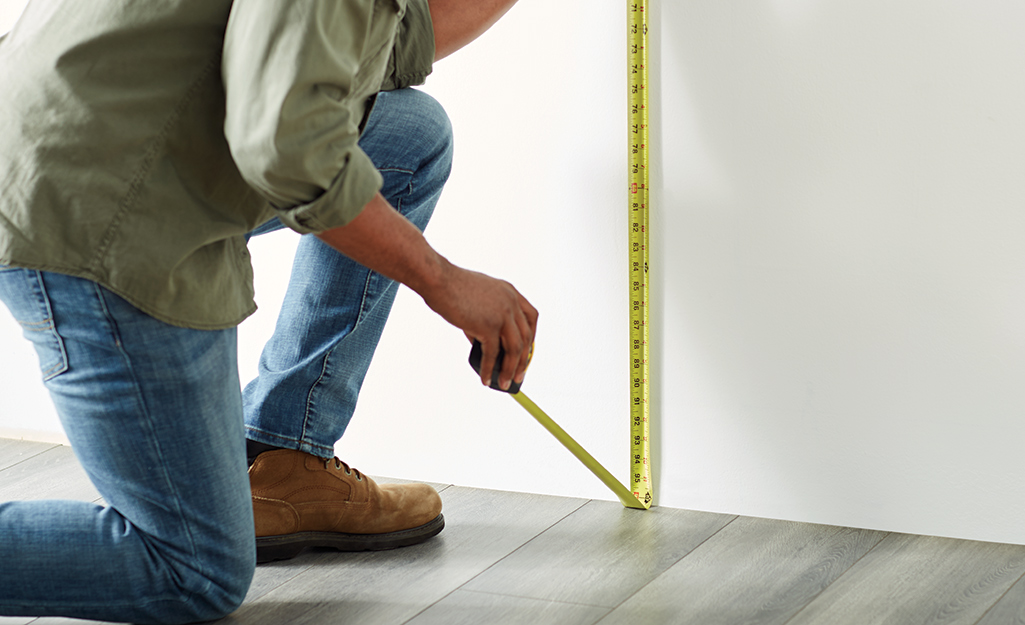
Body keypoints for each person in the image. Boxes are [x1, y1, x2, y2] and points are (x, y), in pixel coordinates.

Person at [0, 0, 537, 622]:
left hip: (84, 121)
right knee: (193, 568)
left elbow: (379, 38)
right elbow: (286, 146)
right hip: (99, 207)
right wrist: (441, 279)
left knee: (407, 136)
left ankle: (289, 454)